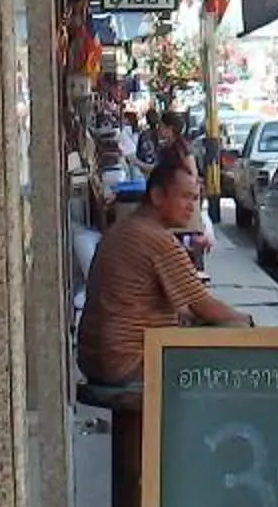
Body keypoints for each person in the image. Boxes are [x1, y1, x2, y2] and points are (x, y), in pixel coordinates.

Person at [77, 155, 251, 384]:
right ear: (158, 196)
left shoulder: (122, 229)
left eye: (195, 199)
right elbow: (204, 307)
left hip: (94, 360)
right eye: (185, 198)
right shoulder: (156, 239)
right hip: (129, 362)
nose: (191, 207)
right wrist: (247, 322)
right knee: (236, 331)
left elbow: (177, 306)